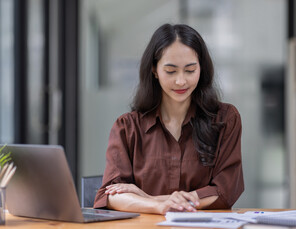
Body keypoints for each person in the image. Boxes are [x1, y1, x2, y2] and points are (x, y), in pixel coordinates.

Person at [93, 23, 244, 215]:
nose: (181, 81)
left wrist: (147, 198)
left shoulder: (225, 119)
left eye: (190, 70)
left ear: (202, 69)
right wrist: (159, 206)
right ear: (155, 70)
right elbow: (111, 195)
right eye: (171, 71)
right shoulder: (127, 127)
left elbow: (225, 191)